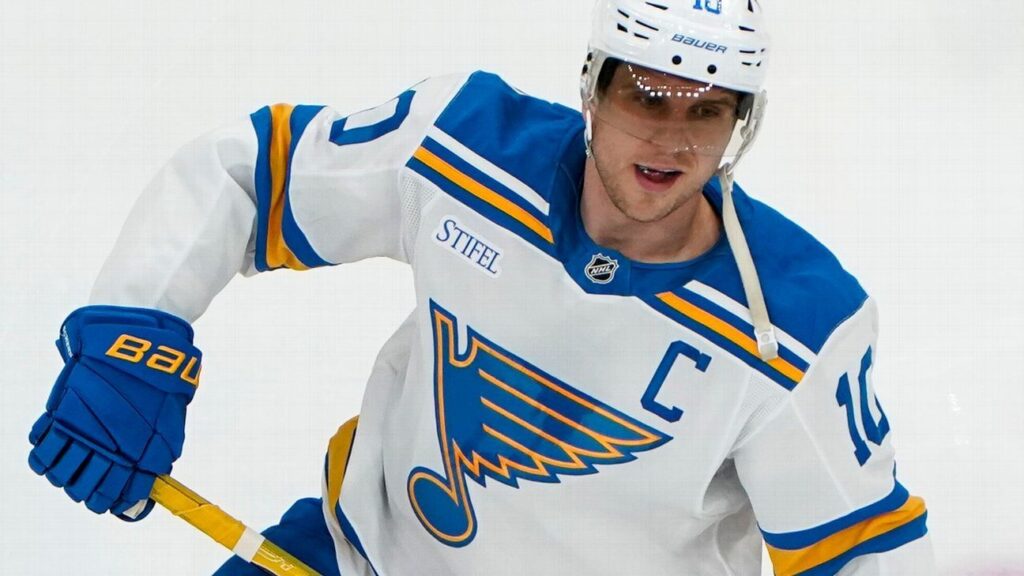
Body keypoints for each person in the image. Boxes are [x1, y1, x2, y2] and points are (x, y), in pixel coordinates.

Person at [28, 0, 935, 574]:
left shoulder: (796, 325)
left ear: (744, 122)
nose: (671, 141)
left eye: (707, 111)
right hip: (361, 556)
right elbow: (245, 177)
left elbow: (863, 557)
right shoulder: (464, 146)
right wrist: (133, 326)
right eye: (646, 99)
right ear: (592, 88)